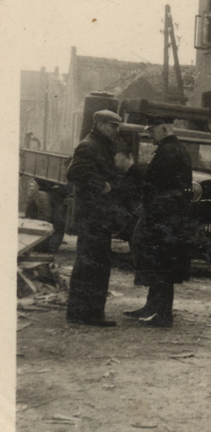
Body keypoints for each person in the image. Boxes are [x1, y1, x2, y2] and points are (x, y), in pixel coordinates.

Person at [127, 118, 193, 328]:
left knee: (162, 263)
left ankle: (164, 315)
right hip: (168, 213)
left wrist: (131, 169)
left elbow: (152, 181)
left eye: (153, 131)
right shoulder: (174, 149)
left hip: (164, 215)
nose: (150, 135)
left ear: (164, 129)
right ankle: (151, 307)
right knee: (159, 261)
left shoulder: (169, 151)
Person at [65, 108, 123, 327]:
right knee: (91, 265)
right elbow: (74, 173)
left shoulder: (101, 145)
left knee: (93, 265)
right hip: (92, 216)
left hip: (97, 216)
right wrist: (102, 184)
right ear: (99, 124)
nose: (116, 130)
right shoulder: (89, 145)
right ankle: (85, 314)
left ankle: (86, 313)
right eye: (113, 126)